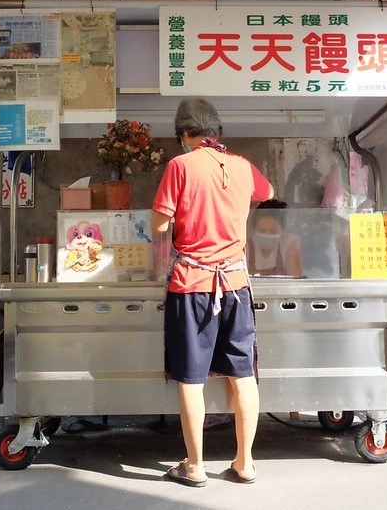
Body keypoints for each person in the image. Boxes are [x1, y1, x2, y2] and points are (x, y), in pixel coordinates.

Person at [152, 98, 274, 487]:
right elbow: (267, 192)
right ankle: (245, 463)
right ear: (215, 131)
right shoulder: (241, 165)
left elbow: (158, 226)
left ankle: (195, 466)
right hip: (236, 286)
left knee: (191, 379)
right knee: (242, 375)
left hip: (193, 285)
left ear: (184, 135)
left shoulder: (180, 166)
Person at [248, 199, 303, 278]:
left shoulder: (289, 243)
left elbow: (295, 278)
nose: (267, 235)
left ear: (282, 230)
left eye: (273, 231)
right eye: (262, 231)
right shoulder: (246, 245)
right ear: (254, 229)